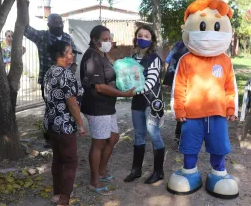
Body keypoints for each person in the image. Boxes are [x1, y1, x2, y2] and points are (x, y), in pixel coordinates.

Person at [167, 0, 239, 198]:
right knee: (189, 145)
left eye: (216, 26)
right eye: (202, 26)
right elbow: (178, 86)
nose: (208, 33)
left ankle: (219, 172)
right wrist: (179, 109)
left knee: (219, 145)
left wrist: (231, 108)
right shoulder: (186, 60)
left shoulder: (225, 61)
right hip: (192, 114)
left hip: (217, 113)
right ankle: (189, 171)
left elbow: (230, 87)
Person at [80, 25, 135, 195]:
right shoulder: (92, 56)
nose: (108, 41)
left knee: (113, 137)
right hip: (97, 106)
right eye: (105, 39)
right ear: (95, 40)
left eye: (109, 38)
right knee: (99, 143)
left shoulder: (102, 54)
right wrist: (123, 93)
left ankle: (102, 172)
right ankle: (94, 181)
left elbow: (112, 75)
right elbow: (99, 87)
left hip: (107, 106)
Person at [24, 13, 81, 147]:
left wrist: (72, 71)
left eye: (60, 22)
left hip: (66, 80)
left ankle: (67, 132)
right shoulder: (42, 36)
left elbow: (74, 54)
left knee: (69, 105)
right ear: (49, 25)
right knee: (52, 107)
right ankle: (51, 136)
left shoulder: (67, 37)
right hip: (49, 81)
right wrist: (24, 7)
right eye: (55, 23)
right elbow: (25, 29)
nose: (59, 25)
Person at [43, 40, 86, 206]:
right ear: (60, 56)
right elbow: (71, 102)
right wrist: (80, 123)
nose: (72, 55)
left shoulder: (49, 72)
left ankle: (57, 193)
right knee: (70, 161)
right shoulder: (65, 74)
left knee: (58, 159)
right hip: (65, 124)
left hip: (52, 122)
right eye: (69, 52)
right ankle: (64, 200)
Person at [124, 25, 165, 184]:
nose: (142, 38)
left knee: (153, 134)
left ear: (152, 40)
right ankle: (136, 170)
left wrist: (131, 91)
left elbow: (150, 82)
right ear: (135, 38)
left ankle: (158, 171)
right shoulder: (132, 59)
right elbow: (128, 79)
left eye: (146, 36)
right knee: (139, 134)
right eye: (140, 35)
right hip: (137, 101)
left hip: (152, 101)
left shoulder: (155, 59)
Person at [163, 40, 189, 143]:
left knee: (184, 106)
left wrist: (169, 78)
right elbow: (169, 61)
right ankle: (180, 136)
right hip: (181, 80)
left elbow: (168, 61)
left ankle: (180, 135)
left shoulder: (178, 44)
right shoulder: (181, 44)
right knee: (182, 106)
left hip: (185, 80)